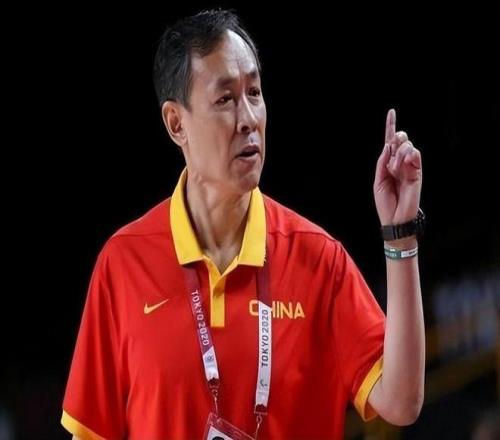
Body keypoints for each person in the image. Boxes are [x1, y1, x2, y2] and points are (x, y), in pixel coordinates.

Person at [61, 9, 425, 440]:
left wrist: (399, 233)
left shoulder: (318, 258)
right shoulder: (123, 263)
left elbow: (401, 403)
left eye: (254, 92)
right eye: (225, 99)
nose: (249, 118)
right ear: (176, 123)